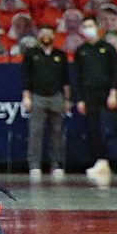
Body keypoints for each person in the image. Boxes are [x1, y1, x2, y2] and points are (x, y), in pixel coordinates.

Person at [73, 17, 117, 180]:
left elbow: (115, 72)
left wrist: (113, 92)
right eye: (85, 26)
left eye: (91, 26)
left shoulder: (108, 49)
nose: (88, 29)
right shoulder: (81, 51)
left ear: (97, 27)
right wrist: (80, 99)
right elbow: (78, 76)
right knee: (93, 128)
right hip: (89, 93)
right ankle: (102, 161)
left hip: (107, 92)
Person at [21, 26, 70, 175]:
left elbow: (66, 79)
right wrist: (26, 97)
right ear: (38, 36)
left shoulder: (60, 55)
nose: (46, 36)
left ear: (54, 36)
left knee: (57, 132)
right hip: (37, 96)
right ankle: (34, 164)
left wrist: (67, 99)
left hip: (56, 96)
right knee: (35, 132)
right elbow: (26, 77)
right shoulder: (31, 54)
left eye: (49, 33)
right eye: (43, 33)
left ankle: (56, 164)